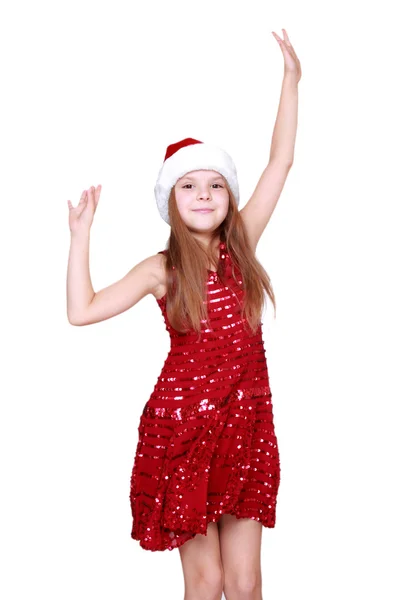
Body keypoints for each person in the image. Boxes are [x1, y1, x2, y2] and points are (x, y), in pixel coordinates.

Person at [67, 28, 300, 600]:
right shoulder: (161, 268)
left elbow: (281, 162)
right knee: (209, 580)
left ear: (229, 197)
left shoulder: (241, 242)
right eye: (189, 185)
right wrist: (80, 238)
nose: (203, 195)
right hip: (186, 428)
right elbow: (82, 310)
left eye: (215, 185)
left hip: (245, 426)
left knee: (245, 584)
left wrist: (291, 81)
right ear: (170, 199)